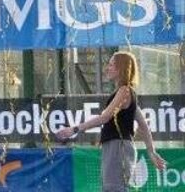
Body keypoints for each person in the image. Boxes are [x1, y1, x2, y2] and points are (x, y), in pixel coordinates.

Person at [56, 52, 166, 191]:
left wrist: (74, 129)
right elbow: (143, 125)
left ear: (122, 68)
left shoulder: (124, 91)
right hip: (118, 147)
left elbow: (105, 117)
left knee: (113, 188)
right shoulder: (127, 93)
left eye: (111, 64)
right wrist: (151, 151)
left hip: (118, 148)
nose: (107, 68)